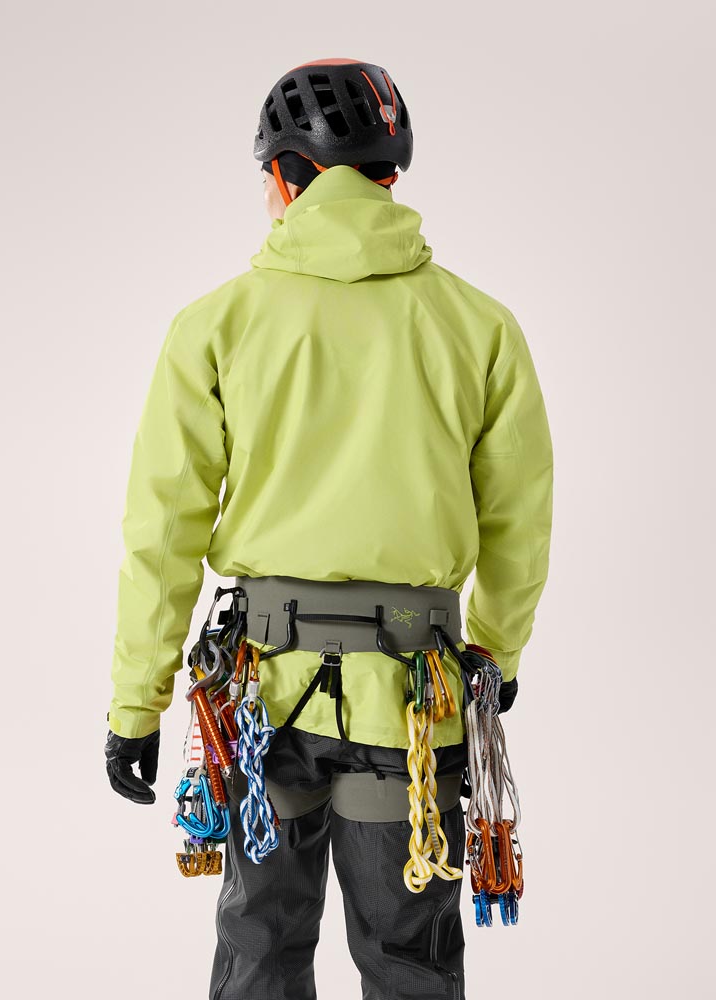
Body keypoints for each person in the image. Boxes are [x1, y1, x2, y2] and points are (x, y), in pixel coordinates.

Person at [105, 57, 553, 1000]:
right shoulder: (479, 326)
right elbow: (520, 517)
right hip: (413, 699)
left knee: (260, 947)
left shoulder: (217, 325)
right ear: (390, 174)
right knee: (409, 958)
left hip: (263, 696)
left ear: (283, 175)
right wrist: (497, 652)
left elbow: (162, 530)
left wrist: (135, 707)